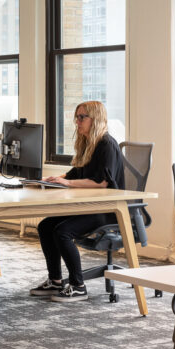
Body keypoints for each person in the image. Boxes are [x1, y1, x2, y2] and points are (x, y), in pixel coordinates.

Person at [29, 100, 125, 302]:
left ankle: (78, 285)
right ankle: (55, 281)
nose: (77, 121)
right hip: (89, 206)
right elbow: (76, 172)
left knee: (62, 231)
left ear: (95, 119)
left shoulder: (106, 144)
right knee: (46, 226)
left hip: (106, 210)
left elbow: (102, 183)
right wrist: (53, 179)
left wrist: (67, 183)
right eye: (77, 117)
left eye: (82, 117)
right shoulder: (88, 144)